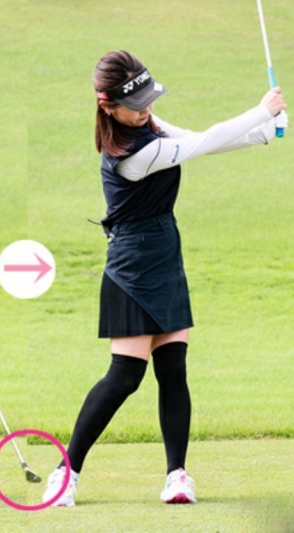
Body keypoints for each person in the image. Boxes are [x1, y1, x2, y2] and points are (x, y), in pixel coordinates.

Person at [42, 50, 287, 507]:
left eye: (149, 99)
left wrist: (261, 134)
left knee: (174, 369)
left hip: (164, 252)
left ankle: (177, 475)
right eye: (136, 105)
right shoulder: (131, 154)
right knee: (124, 376)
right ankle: (66, 472)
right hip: (132, 264)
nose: (146, 109)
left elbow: (197, 140)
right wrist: (261, 112)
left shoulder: (147, 125)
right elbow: (198, 145)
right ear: (108, 107)